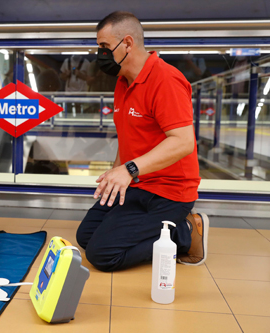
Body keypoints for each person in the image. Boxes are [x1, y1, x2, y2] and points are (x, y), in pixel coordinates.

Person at [76, 11, 208, 272]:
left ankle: (185, 231)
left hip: (169, 192)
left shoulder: (166, 80)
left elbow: (183, 142)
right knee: (85, 237)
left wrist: (129, 170)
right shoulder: (123, 82)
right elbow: (129, 138)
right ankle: (160, 230)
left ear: (127, 43)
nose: (100, 54)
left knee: (103, 255)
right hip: (138, 185)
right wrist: (116, 175)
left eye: (104, 46)